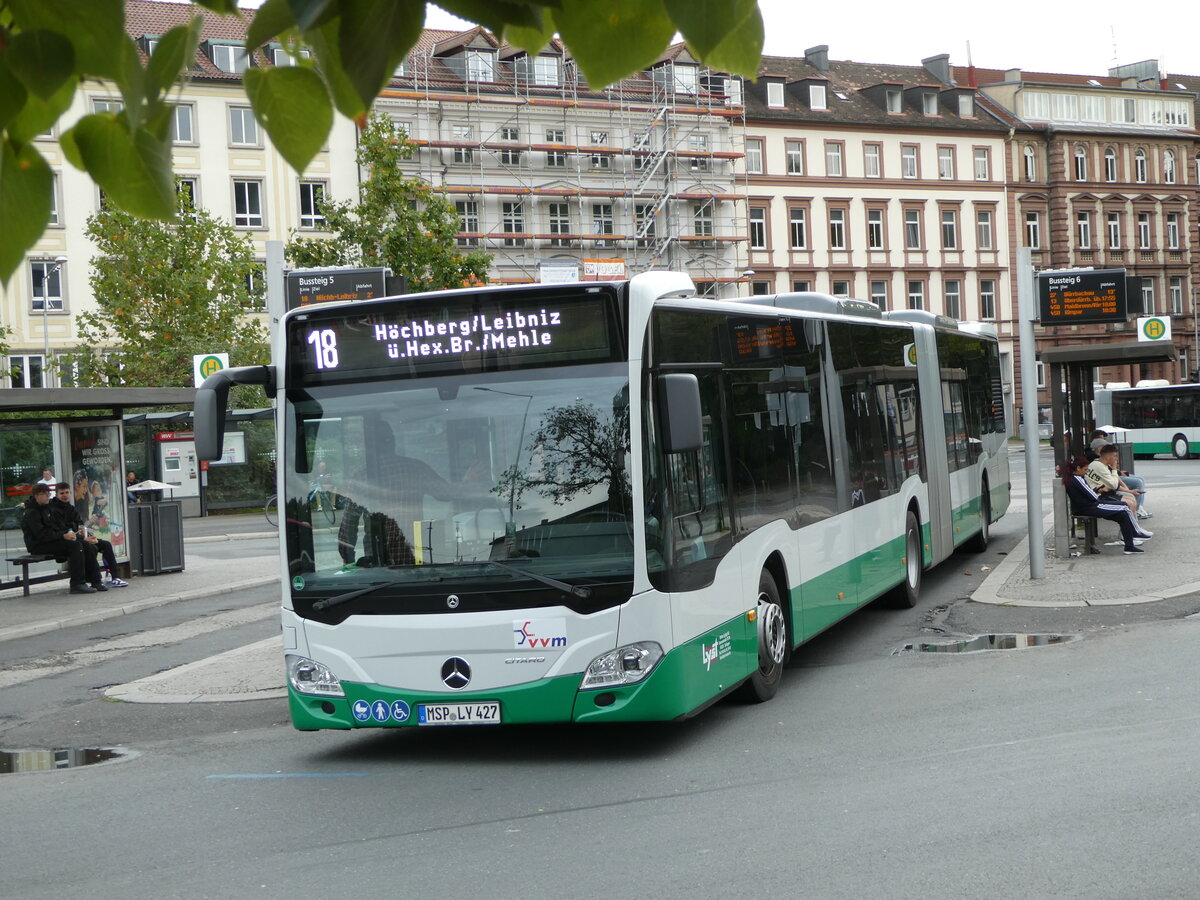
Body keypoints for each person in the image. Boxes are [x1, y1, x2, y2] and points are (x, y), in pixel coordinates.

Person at [336, 419, 458, 567]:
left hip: (377, 559)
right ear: (392, 441)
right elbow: (445, 494)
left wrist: (348, 560)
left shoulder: (361, 475)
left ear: (369, 446)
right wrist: (467, 482)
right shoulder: (415, 468)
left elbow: (348, 525)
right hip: (412, 555)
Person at [20, 483, 105, 593]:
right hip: (38, 545)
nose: (48, 496)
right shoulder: (31, 512)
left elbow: (57, 527)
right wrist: (63, 536)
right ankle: (77, 584)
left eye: (48, 494)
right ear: (37, 496)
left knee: (86, 545)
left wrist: (69, 534)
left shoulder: (47, 508)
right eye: (45, 494)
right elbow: (42, 535)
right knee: (75, 546)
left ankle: (96, 581)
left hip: (52, 540)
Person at [1063, 456, 1151, 555]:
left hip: (1088, 506)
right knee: (1125, 506)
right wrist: (1097, 492)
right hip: (1090, 507)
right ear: (1078, 468)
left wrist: (1097, 490)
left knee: (1122, 515)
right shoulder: (1077, 479)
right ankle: (1136, 532)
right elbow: (1092, 496)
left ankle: (1129, 546)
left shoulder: (1074, 478)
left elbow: (1088, 492)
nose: (1086, 472)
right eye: (1085, 470)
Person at [49, 482, 128, 587]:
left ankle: (114, 577)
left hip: (80, 538)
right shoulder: (54, 510)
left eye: (67, 492)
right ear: (56, 494)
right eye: (61, 493)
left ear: (70, 493)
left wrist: (89, 536)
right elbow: (64, 531)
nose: (65, 495)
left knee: (106, 544)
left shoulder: (71, 508)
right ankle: (95, 580)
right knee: (90, 547)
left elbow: (81, 526)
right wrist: (84, 538)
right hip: (70, 540)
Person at [1086, 444, 1140, 514]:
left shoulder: (1099, 463)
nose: (1116, 459)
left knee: (1131, 498)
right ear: (1108, 456)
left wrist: (1130, 491)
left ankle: (1134, 523)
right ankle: (1132, 523)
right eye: (1115, 456)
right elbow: (1114, 485)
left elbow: (1115, 483)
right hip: (1098, 496)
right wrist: (1114, 469)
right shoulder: (1100, 467)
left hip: (1105, 492)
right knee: (1130, 503)